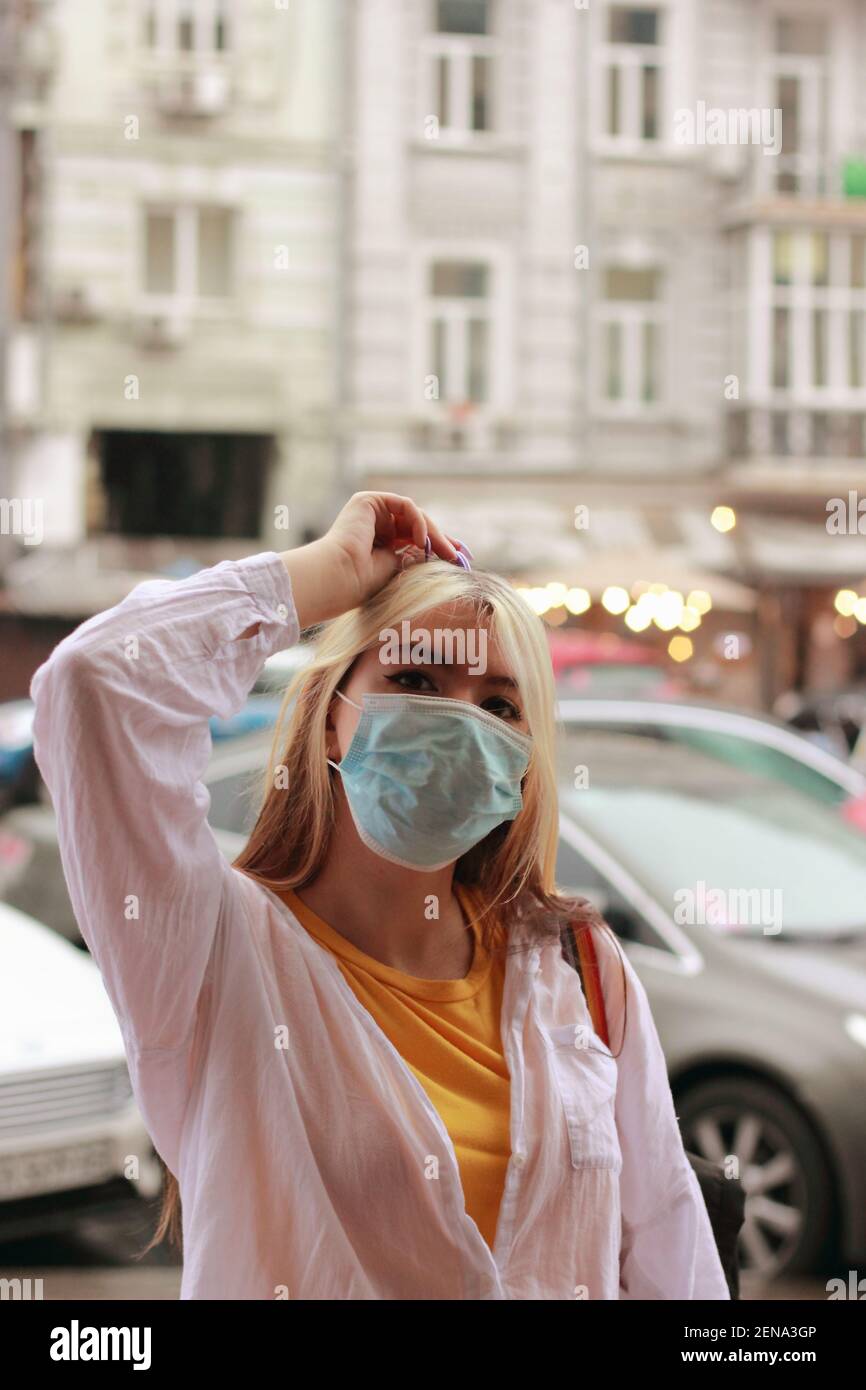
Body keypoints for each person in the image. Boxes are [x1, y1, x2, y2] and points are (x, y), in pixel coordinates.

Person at [30, 491, 730, 1301]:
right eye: (416, 679)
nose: (458, 721)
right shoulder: (213, 953)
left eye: (499, 705)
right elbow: (93, 684)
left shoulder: (578, 965)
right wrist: (308, 582)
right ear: (331, 720)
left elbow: (671, 1255)